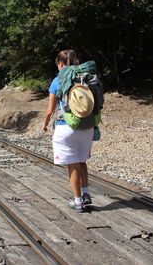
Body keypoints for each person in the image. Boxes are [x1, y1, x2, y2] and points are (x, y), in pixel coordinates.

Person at [42, 49, 94, 212]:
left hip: (66, 127)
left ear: (60, 64)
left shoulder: (58, 80)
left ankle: (77, 201)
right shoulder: (86, 77)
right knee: (82, 161)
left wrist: (45, 124)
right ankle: (85, 194)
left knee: (72, 165)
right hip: (87, 126)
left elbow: (50, 110)